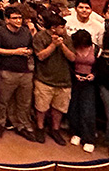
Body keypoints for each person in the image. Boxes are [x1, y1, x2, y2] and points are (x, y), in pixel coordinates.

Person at [0, 6, 35, 141]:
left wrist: (28, 52)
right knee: (3, 100)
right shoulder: (0, 31)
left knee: (24, 101)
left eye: (20, 18)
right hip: (7, 70)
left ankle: (22, 125)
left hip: (25, 71)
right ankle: (0, 123)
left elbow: (32, 49)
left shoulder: (26, 32)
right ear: (7, 20)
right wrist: (15, 52)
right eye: (14, 18)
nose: (18, 20)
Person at [32, 12, 76, 145]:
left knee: (59, 108)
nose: (64, 30)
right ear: (53, 28)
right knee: (41, 107)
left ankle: (55, 129)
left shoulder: (67, 39)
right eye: (61, 27)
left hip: (63, 80)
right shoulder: (40, 37)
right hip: (44, 79)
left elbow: (72, 58)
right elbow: (40, 56)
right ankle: (40, 128)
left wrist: (61, 45)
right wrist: (53, 45)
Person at [67, 29, 97, 152]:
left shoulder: (96, 49)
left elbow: (100, 66)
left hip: (89, 82)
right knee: (73, 108)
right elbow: (68, 63)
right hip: (75, 79)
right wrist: (74, 74)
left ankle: (89, 138)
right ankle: (76, 132)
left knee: (87, 109)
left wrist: (94, 75)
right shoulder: (73, 47)